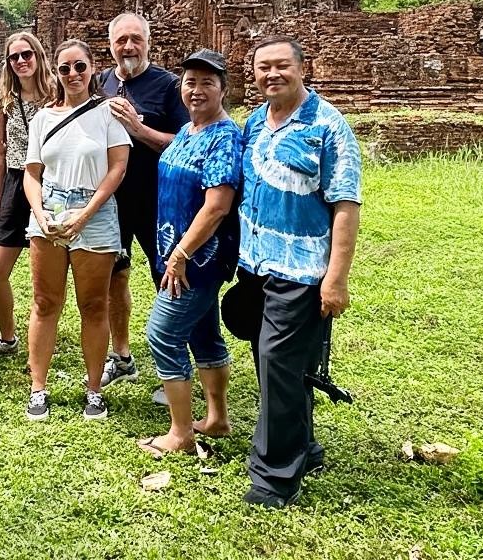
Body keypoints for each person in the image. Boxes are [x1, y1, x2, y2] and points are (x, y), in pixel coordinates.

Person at [238, 36, 362, 508]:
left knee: (277, 365)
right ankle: (304, 447)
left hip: (303, 269)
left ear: (302, 68)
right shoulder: (254, 121)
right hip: (256, 265)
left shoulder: (328, 126)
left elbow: (346, 205)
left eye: (281, 66)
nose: (272, 74)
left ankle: (273, 477)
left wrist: (336, 277)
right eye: (263, 67)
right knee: (281, 369)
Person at [138, 50, 242, 457]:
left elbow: (217, 206)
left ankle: (180, 433)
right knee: (203, 332)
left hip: (197, 259)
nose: (196, 90)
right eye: (190, 82)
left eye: (207, 83)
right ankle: (216, 418)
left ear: (223, 89)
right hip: (176, 252)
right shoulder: (187, 132)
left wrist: (180, 254)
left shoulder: (224, 137)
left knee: (162, 334)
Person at [24, 39, 130, 421]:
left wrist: (85, 213)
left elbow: (118, 167)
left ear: (92, 69)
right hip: (49, 208)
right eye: (65, 68)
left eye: (80, 67)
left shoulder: (107, 113)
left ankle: (94, 388)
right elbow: (32, 174)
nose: (73, 75)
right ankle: (38, 387)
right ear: (56, 71)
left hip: (95, 209)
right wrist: (39, 214)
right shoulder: (42, 118)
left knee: (93, 304)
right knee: (45, 302)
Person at [97, 12, 189, 397]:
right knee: (113, 278)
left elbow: (187, 142)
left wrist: (139, 129)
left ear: (148, 42)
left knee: (167, 280)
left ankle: (177, 368)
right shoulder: (102, 81)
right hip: (113, 202)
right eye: (121, 41)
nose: (128, 47)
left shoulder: (169, 86)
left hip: (158, 202)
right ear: (111, 45)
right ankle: (121, 358)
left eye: (136, 39)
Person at [0, 31, 55, 359]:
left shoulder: (57, 93)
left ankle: (45, 330)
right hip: (15, 181)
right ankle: (8, 337)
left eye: (27, 55)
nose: (21, 61)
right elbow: (0, 150)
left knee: (48, 274)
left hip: (52, 183)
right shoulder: (3, 99)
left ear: (37, 55)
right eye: (14, 57)